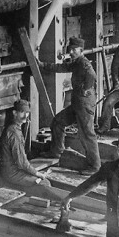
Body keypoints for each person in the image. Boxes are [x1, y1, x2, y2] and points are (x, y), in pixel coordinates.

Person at [41, 37, 101, 173]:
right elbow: (62, 67)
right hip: (77, 103)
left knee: (87, 134)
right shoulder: (76, 62)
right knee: (58, 121)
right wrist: (42, 65)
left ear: (81, 50)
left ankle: (95, 166)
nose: (72, 52)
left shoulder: (84, 63)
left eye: (74, 49)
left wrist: (86, 88)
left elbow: (92, 76)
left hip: (84, 104)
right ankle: (56, 151)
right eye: (71, 49)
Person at [0, 99, 64, 201]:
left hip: (14, 170)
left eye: (27, 113)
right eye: (22, 112)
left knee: (41, 178)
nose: (25, 116)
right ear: (14, 113)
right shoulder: (13, 132)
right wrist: (38, 174)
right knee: (44, 183)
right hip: (12, 173)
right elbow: (21, 163)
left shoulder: (15, 128)